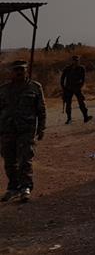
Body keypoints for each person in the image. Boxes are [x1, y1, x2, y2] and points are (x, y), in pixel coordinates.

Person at [0, 60, 47, 203]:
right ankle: (13, 187)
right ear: (11, 72)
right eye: (16, 70)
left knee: (25, 159)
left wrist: (41, 128)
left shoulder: (34, 87)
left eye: (22, 70)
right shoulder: (3, 89)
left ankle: (25, 187)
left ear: (26, 71)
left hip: (26, 130)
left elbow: (41, 110)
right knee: (9, 161)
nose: (19, 72)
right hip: (7, 129)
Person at [60, 55, 92, 124]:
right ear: (72, 61)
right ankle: (69, 119)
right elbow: (62, 79)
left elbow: (83, 79)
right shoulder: (67, 68)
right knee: (68, 104)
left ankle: (85, 117)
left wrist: (80, 86)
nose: (76, 62)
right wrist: (64, 88)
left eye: (77, 60)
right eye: (74, 60)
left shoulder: (81, 68)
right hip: (68, 88)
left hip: (77, 88)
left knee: (81, 103)